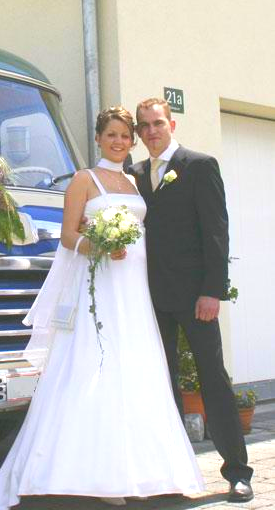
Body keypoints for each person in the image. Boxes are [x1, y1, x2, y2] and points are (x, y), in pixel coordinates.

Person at [0, 106, 204, 510]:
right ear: (99, 138)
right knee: (96, 367)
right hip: (100, 286)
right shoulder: (83, 181)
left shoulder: (135, 181)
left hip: (134, 290)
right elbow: (69, 237)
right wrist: (99, 245)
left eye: (126, 135)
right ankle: (97, 478)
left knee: (138, 371)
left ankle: (146, 471)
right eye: (112, 135)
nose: (120, 141)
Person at [131, 97, 253, 502]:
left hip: (194, 296)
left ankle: (238, 472)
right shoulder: (132, 175)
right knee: (161, 384)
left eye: (157, 123)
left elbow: (217, 232)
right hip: (149, 297)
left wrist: (212, 291)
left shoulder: (199, 166)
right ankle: (171, 473)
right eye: (144, 125)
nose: (151, 131)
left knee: (212, 380)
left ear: (172, 125)